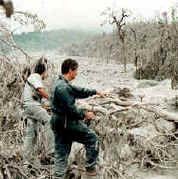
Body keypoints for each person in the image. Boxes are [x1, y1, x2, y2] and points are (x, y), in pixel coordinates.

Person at [50, 58, 105, 178]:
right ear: (70, 70)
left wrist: (94, 91)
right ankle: (90, 170)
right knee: (92, 139)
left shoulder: (60, 83)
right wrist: (85, 114)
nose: (77, 73)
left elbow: (77, 91)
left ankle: (58, 176)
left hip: (57, 121)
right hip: (65, 122)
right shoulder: (63, 88)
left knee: (61, 153)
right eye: (76, 70)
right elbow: (71, 110)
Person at [23, 57, 53, 164]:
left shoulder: (32, 78)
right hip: (32, 106)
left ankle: (26, 162)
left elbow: (35, 96)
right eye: (47, 71)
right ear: (43, 70)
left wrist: (46, 106)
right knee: (49, 121)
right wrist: (52, 99)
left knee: (31, 135)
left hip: (29, 107)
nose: (47, 74)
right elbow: (40, 90)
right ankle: (52, 151)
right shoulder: (35, 76)